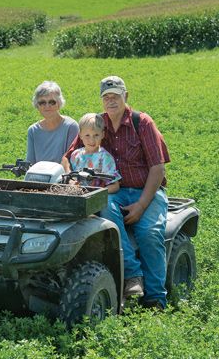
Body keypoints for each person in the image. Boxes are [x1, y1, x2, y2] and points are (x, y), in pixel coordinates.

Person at [64, 76, 170, 310]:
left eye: (115, 95)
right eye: (106, 97)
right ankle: (132, 275)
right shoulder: (96, 124)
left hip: (146, 191)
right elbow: (69, 155)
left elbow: (157, 168)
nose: (111, 101)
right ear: (102, 100)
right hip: (114, 191)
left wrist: (142, 205)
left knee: (149, 233)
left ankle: (155, 298)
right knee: (107, 215)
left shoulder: (141, 122)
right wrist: (72, 177)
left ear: (126, 96)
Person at [62, 113, 120, 194]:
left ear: (103, 134)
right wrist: (71, 182)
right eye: (87, 135)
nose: (92, 140)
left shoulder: (105, 158)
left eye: (96, 135)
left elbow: (115, 186)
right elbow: (71, 176)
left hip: (95, 199)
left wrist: (97, 193)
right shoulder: (75, 155)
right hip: (76, 195)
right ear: (80, 135)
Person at [26, 81, 79, 164]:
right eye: (42, 102)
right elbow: (30, 163)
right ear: (37, 105)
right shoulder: (33, 131)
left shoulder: (71, 127)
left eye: (52, 102)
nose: (47, 106)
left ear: (59, 103)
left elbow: (71, 161)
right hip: (39, 175)